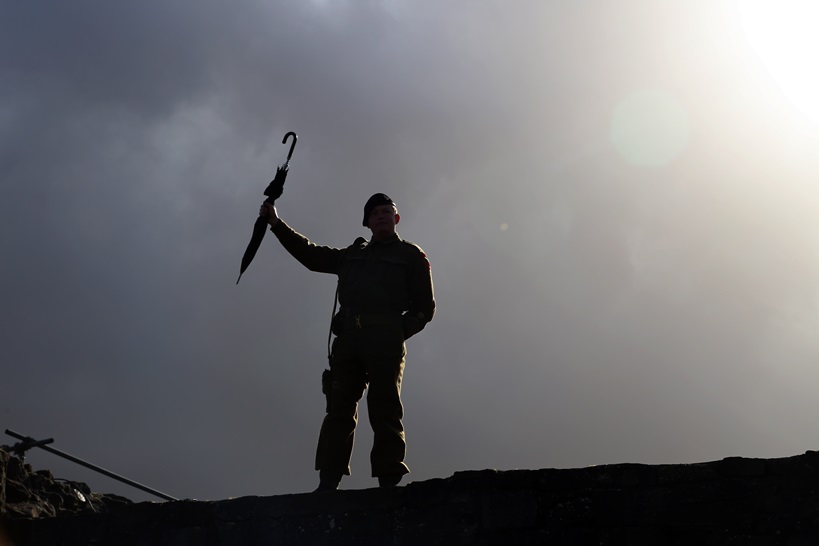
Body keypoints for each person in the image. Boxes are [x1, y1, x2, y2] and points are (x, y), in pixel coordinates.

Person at [260, 193, 436, 491]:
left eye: (386, 211)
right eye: (375, 213)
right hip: (348, 340)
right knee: (339, 409)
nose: (381, 216)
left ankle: (389, 481)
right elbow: (311, 255)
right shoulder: (351, 256)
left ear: (396, 218)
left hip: (385, 339)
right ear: (366, 221)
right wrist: (276, 223)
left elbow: (425, 306)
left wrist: (396, 331)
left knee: (385, 406)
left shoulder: (411, 255)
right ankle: (328, 482)